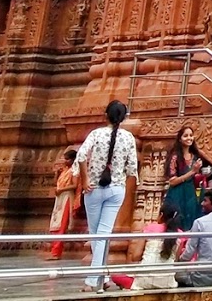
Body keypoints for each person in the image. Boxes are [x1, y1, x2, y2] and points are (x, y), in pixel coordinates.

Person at [74, 99, 140, 292]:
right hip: (116, 189)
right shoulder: (128, 138)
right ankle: (103, 277)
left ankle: (92, 279)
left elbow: (81, 157)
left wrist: (85, 180)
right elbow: (132, 169)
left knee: (98, 235)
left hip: (93, 188)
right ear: (124, 118)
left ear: (106, 116)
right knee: (101, 235)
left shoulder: (97, 134)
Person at [110, 199, 184, 291]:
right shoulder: (179, 235)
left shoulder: (150, 228)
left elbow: (135, 256)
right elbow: (175, 261)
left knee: (115, 274)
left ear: (161, 215)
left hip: (143, 282)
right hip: (167, 282)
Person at [175, 188, 212, 288]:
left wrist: (178, 262)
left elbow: (188, 253)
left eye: (205, 201)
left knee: (175, 274)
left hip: (200, 276)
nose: (202, 204)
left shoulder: (200, 222)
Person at [163, 125, 204, 228]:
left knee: (191, 220)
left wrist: (199, 173)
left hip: (191, 193)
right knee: (176, 221)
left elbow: (195, 175)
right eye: (185, 136)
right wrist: (192, 172)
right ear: (180, 139)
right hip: (177, 193)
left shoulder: (195, 156)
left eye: (191, 135)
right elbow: (172, 181)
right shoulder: (175, 157)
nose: (189, 138)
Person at [46, 148, 78, 260]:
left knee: (61, 225)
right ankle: (54, 251)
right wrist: (57, 174)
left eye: (67, 159)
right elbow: (57, 183)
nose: (65, 161)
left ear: (73, 160)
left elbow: (74, 185)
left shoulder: (74, 171)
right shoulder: (64, 170)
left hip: (67, 198)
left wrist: (62, 189)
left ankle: (56, 253)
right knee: (55, 224)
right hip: (60, 198)